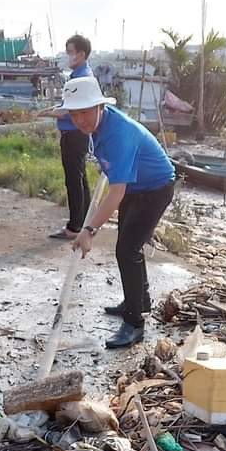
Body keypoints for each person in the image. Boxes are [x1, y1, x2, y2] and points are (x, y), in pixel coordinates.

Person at [60, 76, 175, 349]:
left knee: (127, 249)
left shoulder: (119, 133)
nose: (80, 120)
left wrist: (89, 231)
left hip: (155, 188)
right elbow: (116, 182)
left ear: (100, 106)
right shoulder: (100, 125)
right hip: (135, 186)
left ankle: (135, 324)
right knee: (128, 246)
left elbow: (115, 193)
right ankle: (138, 300)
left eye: (85, 111)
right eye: (74, 114)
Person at [49, 34, 93, 240]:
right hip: (78, 132)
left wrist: (49, 112)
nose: (68, 57)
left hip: (74, 133)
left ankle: (75, 226)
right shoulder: (81, 74)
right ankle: (85, 221)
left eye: (70, 53)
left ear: (81, 54)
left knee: (74, 180)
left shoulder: (80, 77)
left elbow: (69, 108)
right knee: (80, 178)